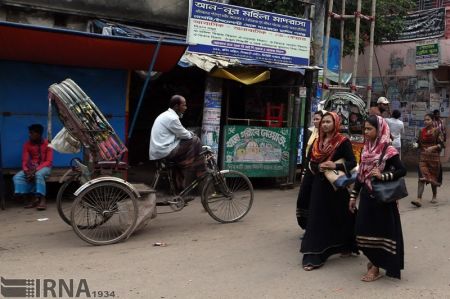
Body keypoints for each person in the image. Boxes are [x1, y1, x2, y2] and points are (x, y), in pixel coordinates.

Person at [349, 115, 406, 281]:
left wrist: (384, 175)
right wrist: (353, 196)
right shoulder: (366, 149)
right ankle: (374, 261)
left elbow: (401, 170)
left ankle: (375, 266)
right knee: (361, 230)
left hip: (383, 199)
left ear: (379, 129)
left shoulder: (388, 150)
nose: (366, 132)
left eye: (369, 129)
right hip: (367, 197)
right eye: (364, 129)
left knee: (380, 233)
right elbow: (361, 175)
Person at [300, 112, 358, 271]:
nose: (324, 124)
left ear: (335, 123)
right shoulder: (317, 142)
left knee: (342, 216)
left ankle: (346, 245)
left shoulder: (342, 141)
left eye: (328, 122)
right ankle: (314, 255)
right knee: (317, 219)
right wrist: (317, 167)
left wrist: (335, 166)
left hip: (336, 187)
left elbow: (353, 162)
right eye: (323, 122)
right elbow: (309, 161)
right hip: (318, 186)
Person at [149, 95, 205, 190]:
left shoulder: (166, 115)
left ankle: (180, 191)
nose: (185, 108)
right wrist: (191, 134)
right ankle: (199, 168)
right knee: (195, 139)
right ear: (176, 107)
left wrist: (187, 133)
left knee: (190, 143)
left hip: (159, 150)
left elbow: (180, 133)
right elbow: (186, 135)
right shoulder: (172, 118)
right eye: (184, 105)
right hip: (164, 151)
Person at [13, 124, 53, 210]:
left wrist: (35, 170)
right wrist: (26, 170)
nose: (29, 135)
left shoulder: (48, 144)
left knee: (38, 174)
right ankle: (33, 198)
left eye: (32, 133)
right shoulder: (27, 145)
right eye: (29, 133)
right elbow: (25, 160)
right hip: (32, 167)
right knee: (17, 177)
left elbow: (48, 161)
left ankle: (42, 199)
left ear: (38, 134)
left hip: (45, 167)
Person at [296, 110, 324, 230]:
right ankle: (307, 226)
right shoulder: (311, 133)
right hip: (309, 169)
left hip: (320, 173)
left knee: (315, 202)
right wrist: (304, 172)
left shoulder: (326, 136)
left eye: (318, 119)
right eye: (314, 119)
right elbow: (308, 154)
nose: (315, 121)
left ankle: (313, 228)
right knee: (304, 199)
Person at [411, 113, 445, 207]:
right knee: (422, 177)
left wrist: (433, 147)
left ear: (433, 121)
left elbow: (442, 145)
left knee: (433, 178)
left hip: (434, 159)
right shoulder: (421, 131)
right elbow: (418, 143)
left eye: (428, 119)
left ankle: (434, 195)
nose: (426, 121)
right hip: (423, 158)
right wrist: (415, 145)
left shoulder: (437, 131)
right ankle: (419, 198)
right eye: (425, 120)